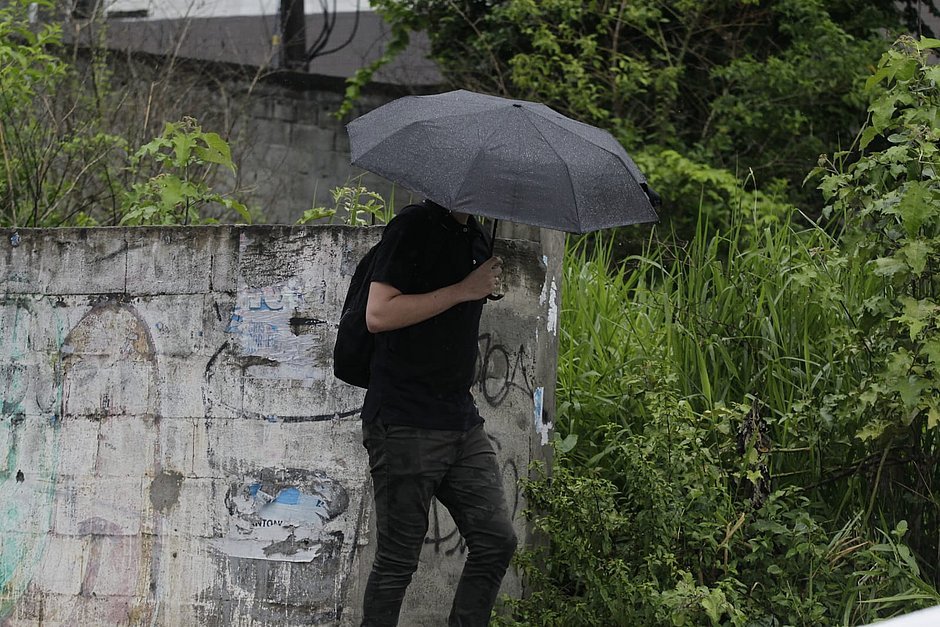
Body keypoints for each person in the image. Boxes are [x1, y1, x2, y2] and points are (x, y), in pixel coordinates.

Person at [359, 198, 518, 627]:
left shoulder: (477, 237)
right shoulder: (413, 226)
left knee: (496, 541)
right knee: (397, 561)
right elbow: (378, 313)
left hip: (460, 421)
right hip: (404, 420)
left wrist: (480, 286)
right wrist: (464, 289)